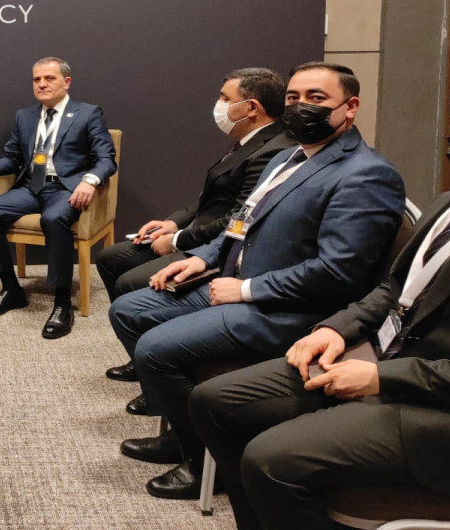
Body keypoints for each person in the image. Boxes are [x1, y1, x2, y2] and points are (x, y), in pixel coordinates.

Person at [190, 69, 450, 530]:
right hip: (388, 356)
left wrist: (381, 377)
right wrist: (337, 328)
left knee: (270, 461)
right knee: (213, 401)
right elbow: (396, 289)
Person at [109, 62, 406, 499]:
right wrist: (201, 259)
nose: (301, 107)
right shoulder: (287, 157)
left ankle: (203, 459)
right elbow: (240, 224)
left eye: (317, 98)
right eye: (294, 97)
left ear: (350, 107)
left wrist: (246, 290)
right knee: (128, 310)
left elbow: (340, 271)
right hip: (234, 283)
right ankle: (182, 430)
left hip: (290, 309)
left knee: (154, 349)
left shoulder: (366, 174)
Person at [99, 68, 290, 384]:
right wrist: (171, 222)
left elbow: (238, 219)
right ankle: (141, 354)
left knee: (129, 285)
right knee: (110, 259)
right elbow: (207, 198)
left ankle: (157, 363)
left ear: (252, 108)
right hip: (194, 234)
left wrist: (177, 240)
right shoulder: (246, 140)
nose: (219, 105)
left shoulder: (273, 150)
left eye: (225, 98)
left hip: (213, 245)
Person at [0, 56, 117, 339]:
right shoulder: (24, 116)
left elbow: (106, 158)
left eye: (49, 78)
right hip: (31, 187)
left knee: (53, 219)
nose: (41, 84)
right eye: (36, 79)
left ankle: (62, 302)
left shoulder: (88, 113)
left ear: (66, 82)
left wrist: (90, 180)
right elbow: (13, 156)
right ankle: (11, 289)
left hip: (66, 188)